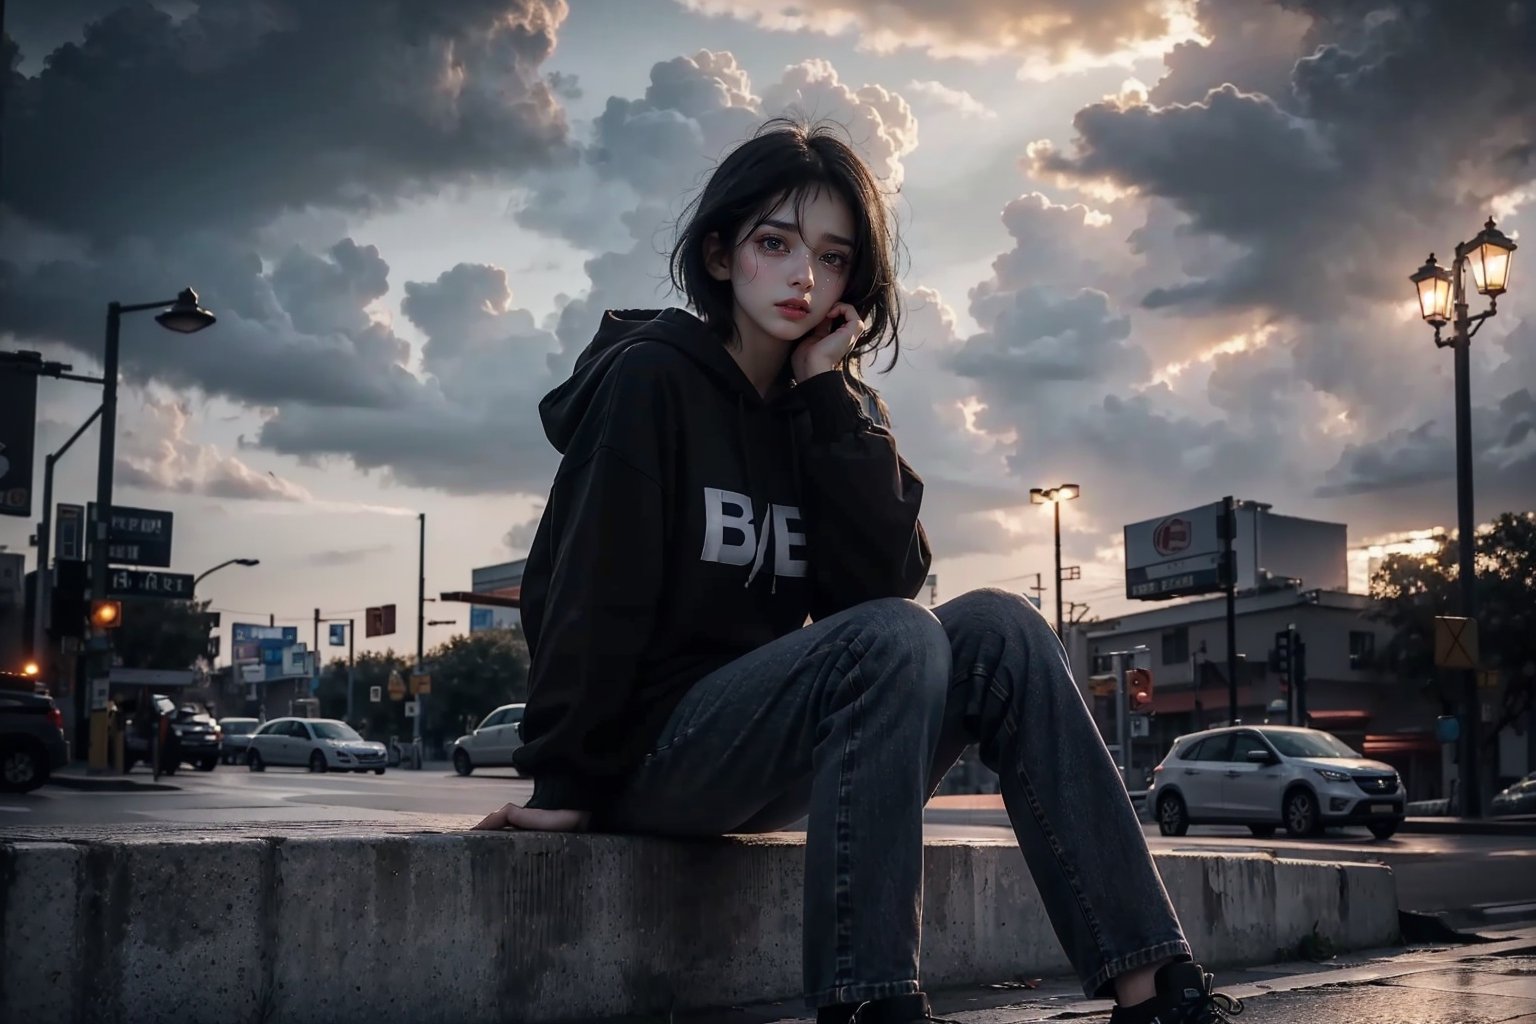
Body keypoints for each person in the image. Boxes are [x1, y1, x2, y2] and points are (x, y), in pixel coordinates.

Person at [473, 119, 1242, 1024]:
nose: (804, 276)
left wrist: (826, 399)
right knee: (894, 636)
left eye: (833, 259)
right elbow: (588, 591)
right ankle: (869, 1005)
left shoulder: (825, 404)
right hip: (651, 750)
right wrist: (563, 784)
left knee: (1001, 627)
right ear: (721, 255)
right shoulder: (652, 382)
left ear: (854, 285)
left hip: (767, 736)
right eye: (775, 243)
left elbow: (883, 591)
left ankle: (1155, 992)